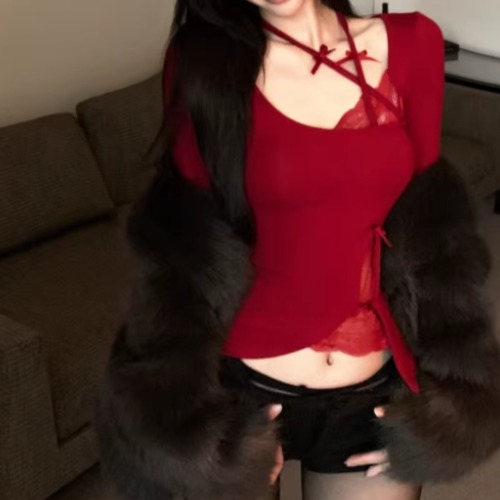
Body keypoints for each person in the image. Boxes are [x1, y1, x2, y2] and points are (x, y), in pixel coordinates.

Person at [96, 1, 500, 500]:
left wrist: (454, 394)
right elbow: (184, 250)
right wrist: (196, 431)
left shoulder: (414, 43)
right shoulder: (203, 62)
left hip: (369, 395)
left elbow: (431, 233)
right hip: (244, 390)